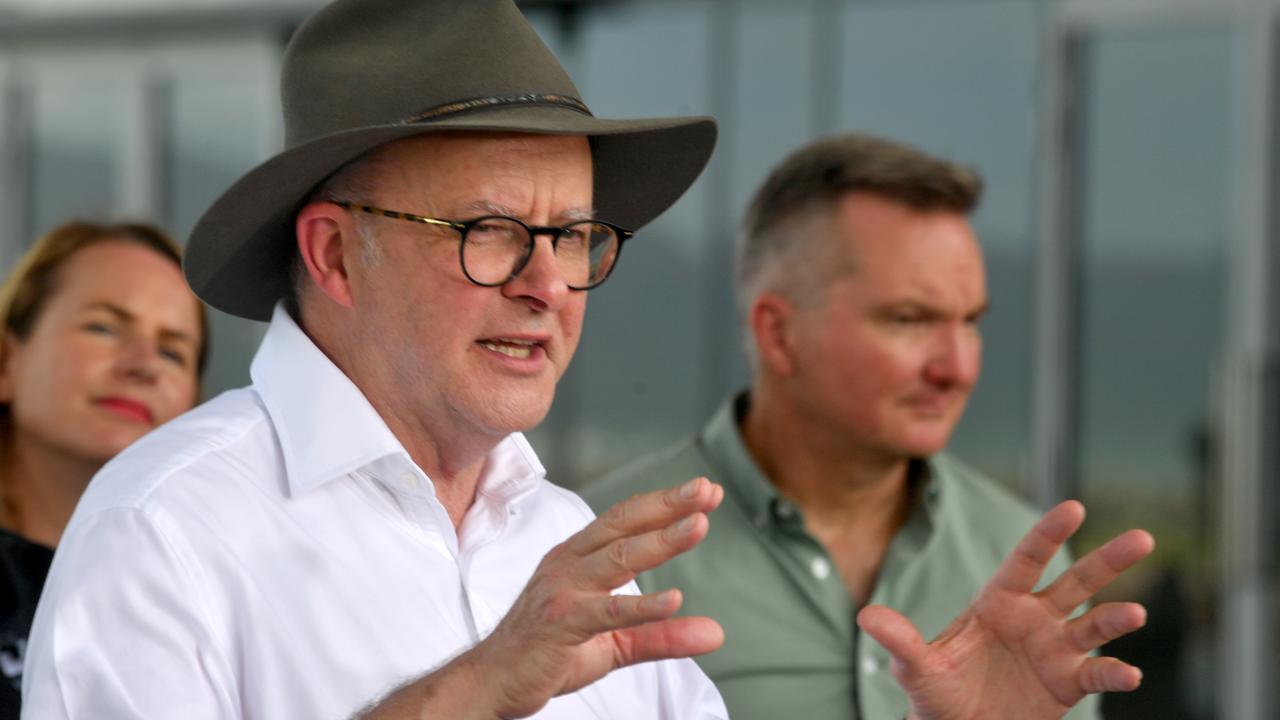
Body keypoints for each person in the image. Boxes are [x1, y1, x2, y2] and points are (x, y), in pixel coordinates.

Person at [23, 2, 1153, 719]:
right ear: (333, 254)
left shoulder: (569, 547)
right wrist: (468, 696)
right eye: (490, 230)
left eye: (572, 236)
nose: (549, 282)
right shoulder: (164, 531)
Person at [583, 134, 1097, 719]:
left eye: (971, 322)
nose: (957, 368)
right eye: (909, 319)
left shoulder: (1018, 557)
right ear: (779, 334)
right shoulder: (605, 556)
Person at [0, 221, 207, 719]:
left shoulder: (206, 592)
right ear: (6, 361)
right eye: (104, 327)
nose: (143, 365)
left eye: (173, 352)